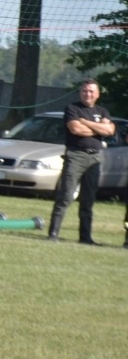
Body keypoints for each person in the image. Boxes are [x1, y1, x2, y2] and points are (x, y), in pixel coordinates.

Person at [47, 79, 115, 244]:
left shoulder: (102, 111)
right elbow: (75, 129)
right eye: (85, 90)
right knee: (65, 195)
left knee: (88, 199)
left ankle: (85, 237)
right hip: (76, 155)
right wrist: (97, 128)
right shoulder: (72, 108)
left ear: (97, 94)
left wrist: (85, 122)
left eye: (91, 91)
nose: (88, 94)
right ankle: (53, 233)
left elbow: (110, 130)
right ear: (80, 92)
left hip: (95, 158)